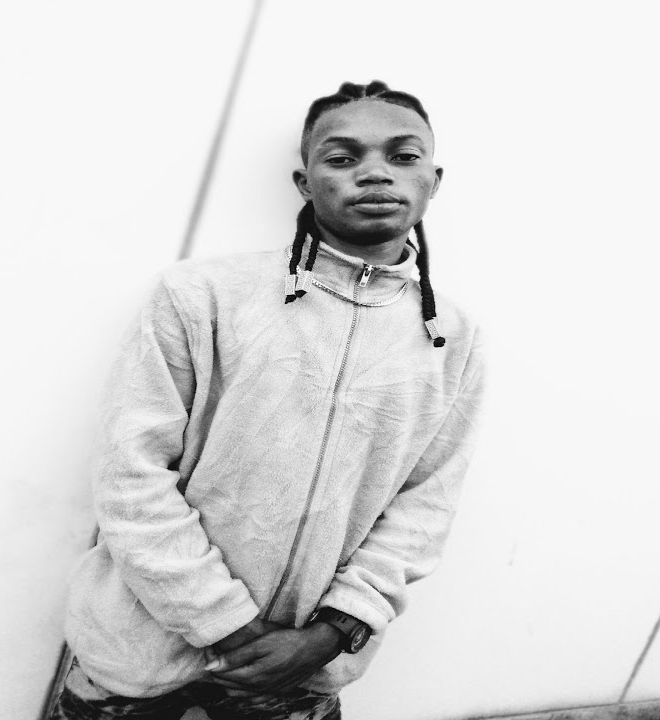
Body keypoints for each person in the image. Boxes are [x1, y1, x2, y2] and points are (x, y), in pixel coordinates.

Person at [51, 80, 485, 720]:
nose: (375, 173)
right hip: (139, 653)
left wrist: (334, 631)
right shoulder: (200, 296)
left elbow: (426, 503)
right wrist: (223, 622)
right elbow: (130, 473)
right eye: (342, 157)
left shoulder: (452, 338)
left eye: (403, 155)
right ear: (305, 182)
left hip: (302, 669)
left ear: (434, 179)